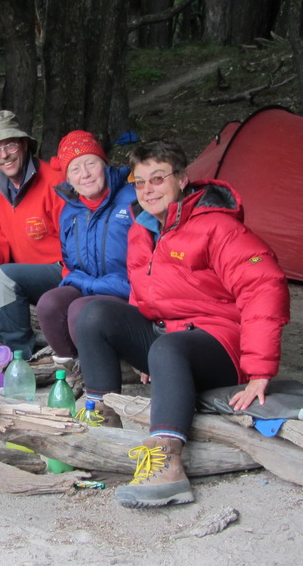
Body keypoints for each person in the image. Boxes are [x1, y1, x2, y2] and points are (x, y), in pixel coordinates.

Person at [74, 140, 290, 508]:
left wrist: (259, 371)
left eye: (158, 178)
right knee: (92, 312)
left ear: (183, 179)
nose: (148, 190)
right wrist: (144, 351)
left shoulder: (216, 227)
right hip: (170, 339)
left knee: (168, 348)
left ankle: (167, 461)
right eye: (139, 182)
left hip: (218, 343)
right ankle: (101, 420)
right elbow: (144, 296)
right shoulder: (141, 229)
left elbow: (264, 287)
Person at [0, 110, 66, 359]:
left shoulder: (54, 182)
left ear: (25, 143)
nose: (3, 155)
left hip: (59, 273)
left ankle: (18, 355)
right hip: (21, 273)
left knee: (6, 276)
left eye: (9, 145)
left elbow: (75, 245)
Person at [36, 130, 135, 370]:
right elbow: (69, 262)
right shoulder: (70, 210)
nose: (85, 174)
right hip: (90, 285)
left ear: (105, 164)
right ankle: (76, 367)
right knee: (49, 304)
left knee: (81, 310)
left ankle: (108, 373)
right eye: (75, 169)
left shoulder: (133, 198)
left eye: (91, 163)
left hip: (128, 290)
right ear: (68, 177)